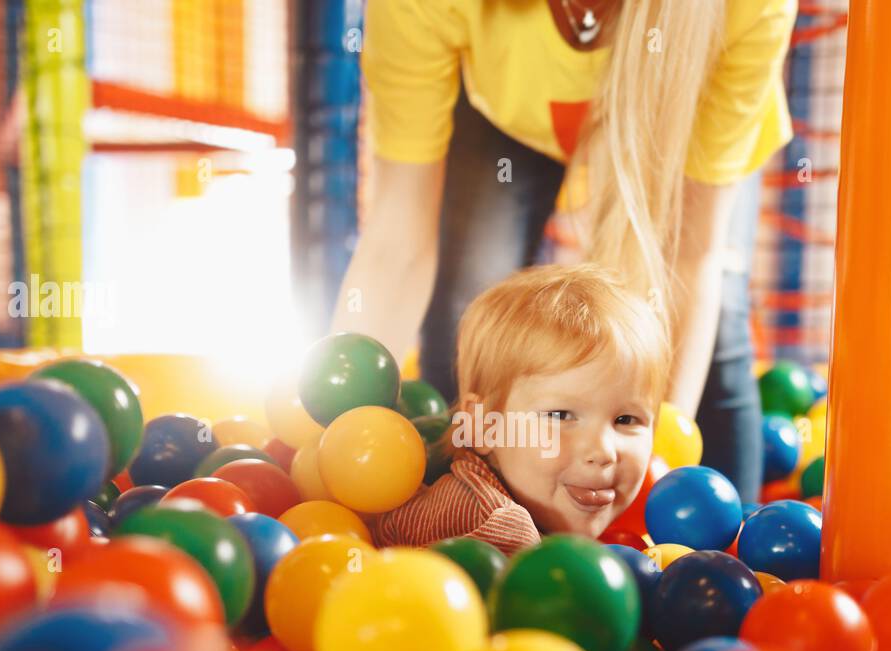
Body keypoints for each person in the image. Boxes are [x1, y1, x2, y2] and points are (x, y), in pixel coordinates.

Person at [331, 0, 796, 503]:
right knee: (467, 316)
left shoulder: (744, 11)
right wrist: (337, 433)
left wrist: (653, 480)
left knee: (713, 334)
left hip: (681, 88)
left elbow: (689, 255)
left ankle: (731, 556)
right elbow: (397, 242)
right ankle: (470, 517)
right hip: (504, 111)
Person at [367, 263, 670, 554]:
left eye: (626, 419)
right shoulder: (502, 531)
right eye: (561, 416)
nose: (603, 452)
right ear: (484, 426)